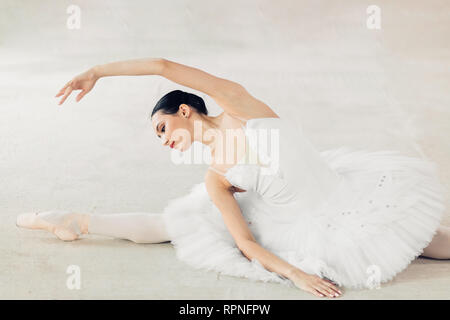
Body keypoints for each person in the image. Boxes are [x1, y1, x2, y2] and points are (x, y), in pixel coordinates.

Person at [16, 58, 450, 298]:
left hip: (343, 190)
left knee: (431, 242)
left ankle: (76, 221)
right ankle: (75, 220)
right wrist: (296, 274)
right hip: (294, 225)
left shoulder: (241, 107)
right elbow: (245, 244)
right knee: (180, 225)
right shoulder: (216, 177)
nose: (163, 141)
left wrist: (98, 71)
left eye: (162, 128)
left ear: (185, 110)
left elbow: (164, 66)